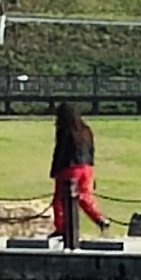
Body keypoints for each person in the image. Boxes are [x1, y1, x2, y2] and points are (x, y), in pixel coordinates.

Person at [50, 98, 107, 243]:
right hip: (87, 166)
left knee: (60, 200)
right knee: (84, 196)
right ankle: (99, 218)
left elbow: (60, 151)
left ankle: (62, 228)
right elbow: (91, 150)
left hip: (69, 167)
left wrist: (54, 170)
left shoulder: (65, 130)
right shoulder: (86, 130)